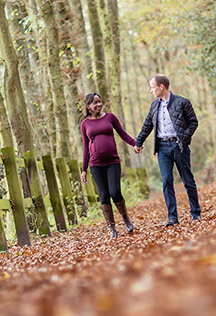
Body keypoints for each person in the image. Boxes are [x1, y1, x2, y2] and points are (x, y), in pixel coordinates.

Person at [134, 74, 201, 226]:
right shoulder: (154, 106)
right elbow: (147, 126)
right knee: (166, 181)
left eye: (152, 87)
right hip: (162, 148)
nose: (151, 91)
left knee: (188, 180)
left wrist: (183, 137)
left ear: (161, 87)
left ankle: (195, 213)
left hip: (179, 146)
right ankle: (172, 217)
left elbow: (193, 122)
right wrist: (139, 142)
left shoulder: (182, 102)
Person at [80, 93, 137, 239]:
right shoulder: (85, 124)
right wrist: (84, 169)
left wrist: (135, 144)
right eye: (95, 103)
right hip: (95, 164)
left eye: (99, 102)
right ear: (88, 106)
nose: (98, 105)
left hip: (112, 161)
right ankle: (112, 228)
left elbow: (122, 134)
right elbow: (85, 147)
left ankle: (125, 217)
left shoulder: (110, 117)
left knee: (115, 192)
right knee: (104, 195)